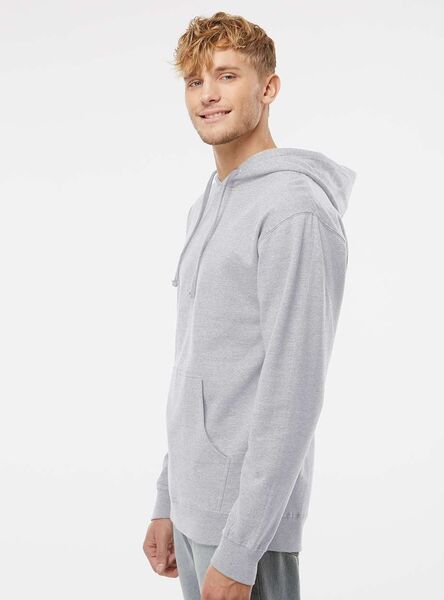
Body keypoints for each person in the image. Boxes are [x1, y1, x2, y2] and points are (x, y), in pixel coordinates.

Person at [143, 11, 356, 600]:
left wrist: (240, 551)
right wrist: (168, 498)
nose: (207, 94)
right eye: (195, 80)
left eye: (227, 75)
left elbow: (294, 391)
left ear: (269, 88)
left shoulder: (294, 212)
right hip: (195, 515)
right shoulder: (207, 205)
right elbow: (196, 363)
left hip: (247, 534)